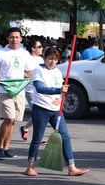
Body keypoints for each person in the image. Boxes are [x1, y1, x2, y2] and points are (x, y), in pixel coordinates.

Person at [24, 47, 89, 177]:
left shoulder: (58, 72)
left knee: (65, 137)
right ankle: (30, 166)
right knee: (37, 138)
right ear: (44, 58)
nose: (52, 61)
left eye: (55, 59)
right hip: (41, 108)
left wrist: (60, 98)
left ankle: (72, 167)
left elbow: (61, 91)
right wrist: (58, 90)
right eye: (50, 59)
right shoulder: (39, 70)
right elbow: (39, 88)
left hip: (55, 110)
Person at [0, 27, 33, 159]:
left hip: (19, 91)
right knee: (9, 118)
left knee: (13, 121)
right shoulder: (1, 53)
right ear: (8, 38)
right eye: (12, 37)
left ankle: (6, 147)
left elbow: (29, 72)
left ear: (21, 39)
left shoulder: (25, 54)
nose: (14, 39)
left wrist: (21, 77)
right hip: (4, 90)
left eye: (17, 37)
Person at [19, 39, 44, 142]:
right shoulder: (27, 59)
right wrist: (31, 74)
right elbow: (22, 73)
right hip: (30, 90)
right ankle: (38, 136)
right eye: (39, 46)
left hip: (40, 90)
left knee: (38, 114)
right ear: (33, 48)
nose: (41, 48)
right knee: (39, 114)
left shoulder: (41, 60)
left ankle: (25, 128)